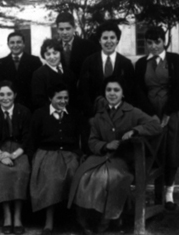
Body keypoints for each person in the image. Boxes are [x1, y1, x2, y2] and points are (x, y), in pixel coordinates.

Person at [68, 76, 162, 235]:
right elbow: (92, 141)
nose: (112, 93)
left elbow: (155, 125)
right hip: (99, 157)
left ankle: (106, 220)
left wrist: (135, 130)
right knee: (83, 176)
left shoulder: (132, 112)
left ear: (123, 93)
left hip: (122, 160)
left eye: (116, 90)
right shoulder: (99, 115)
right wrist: (105, 146)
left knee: (110, 178)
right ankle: (83, 219)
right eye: (109, 90)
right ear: (104, 93)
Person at [135, 26, 179, 210]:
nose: (153, 46)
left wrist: (168, 112)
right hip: (150, 112)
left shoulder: (175, 60)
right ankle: (154, 193)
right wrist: (151, 114)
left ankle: (168, 194)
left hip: (172, 111)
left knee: (172, 152)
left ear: (164, 41)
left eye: (157, 42)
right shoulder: (140, 64)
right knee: (153, 151)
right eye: (150, 43)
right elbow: (138, 91)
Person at [30, 83, 82, 235]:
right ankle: (49, 221)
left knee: (76, 175)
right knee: (51, 177)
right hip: (47, 153)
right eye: (59, 97)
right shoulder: (40, 114)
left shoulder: (74, 114)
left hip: (69, 153)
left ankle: (78, 219)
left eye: (66, 98)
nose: (63, 101)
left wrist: (78, 155)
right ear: (50, 98)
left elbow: (79, 138)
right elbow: (33, 140)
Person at [0, 81, 31, 234]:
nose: (6, 98)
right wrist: (0, 155)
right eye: (1, 94)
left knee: (21, 171)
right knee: (3, 172)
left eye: (9, 94)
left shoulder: (23, 111)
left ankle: (18, 216)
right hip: (0, 150)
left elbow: (27, 138)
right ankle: (7, 215)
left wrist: (13, 155)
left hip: (19, 151)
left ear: (15, 95)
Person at [79, 21, 135, 118]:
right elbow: (83, 91)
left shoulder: (126, 63)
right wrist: (91, 115)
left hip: (120, 115)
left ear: (117, 40)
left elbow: (131, 92)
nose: (109, 41)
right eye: (105, 38)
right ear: (99, 40)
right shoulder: (89, 62)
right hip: (95, 115)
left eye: (112, 38)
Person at [0, 32, 42, 110]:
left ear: (24, 44)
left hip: (29, 104)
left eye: (18, 42)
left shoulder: (34, 61)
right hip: (8, 104)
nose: (15, 45)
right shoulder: (1, 62)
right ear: (8, 45)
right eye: (12, 42)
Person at [31, 38, 76, 110]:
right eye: (48, 54)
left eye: (55, 53)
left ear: (60, 53)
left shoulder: (69, 73)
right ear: (44, 56)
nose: (52, 57)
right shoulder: (39, 74)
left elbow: (74, 97)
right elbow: (39, 100)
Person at [55, 12, 99, 81]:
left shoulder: (88, 46)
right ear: (57, 29)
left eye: (68, 28)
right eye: (61, 29)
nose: (65, 32)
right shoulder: (54, 48)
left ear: (74, 28)